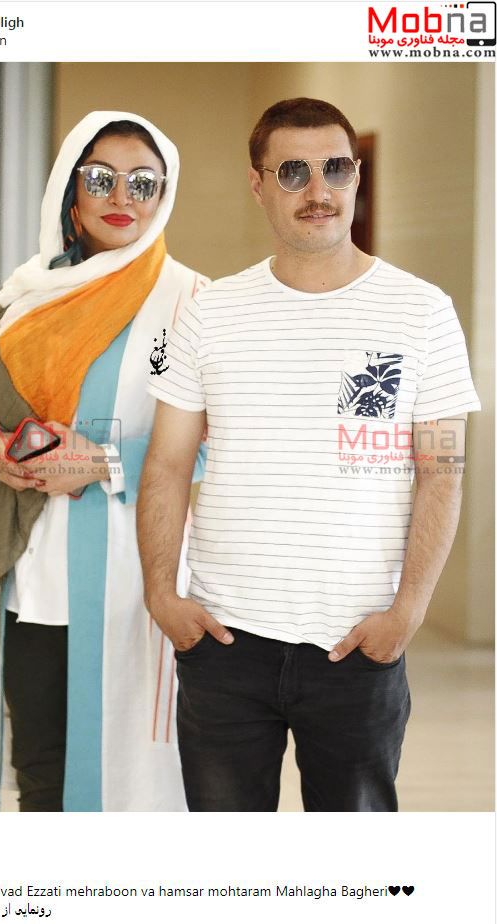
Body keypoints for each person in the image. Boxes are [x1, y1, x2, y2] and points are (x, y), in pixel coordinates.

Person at [137, 97, 481, 812]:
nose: (318, 190)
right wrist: (162, 595)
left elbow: (441, 472)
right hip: (225, 641)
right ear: (257, 184)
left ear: (356, 176)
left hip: (358, 641)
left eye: (335, 169)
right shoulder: (211, 311)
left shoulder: (422, 311)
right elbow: (167, 464)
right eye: (293, 171)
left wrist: (408, 610)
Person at [0, 111, 208, 812]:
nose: (121, 197)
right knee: (41, 769)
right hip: (31, 575)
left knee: (136, 774)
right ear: (71, 190)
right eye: (101, 179)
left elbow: (220, 444)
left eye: (143, 182)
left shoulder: (193, 302)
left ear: (164, 195)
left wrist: (104, 463)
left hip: (137, 574)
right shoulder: (23, 299)